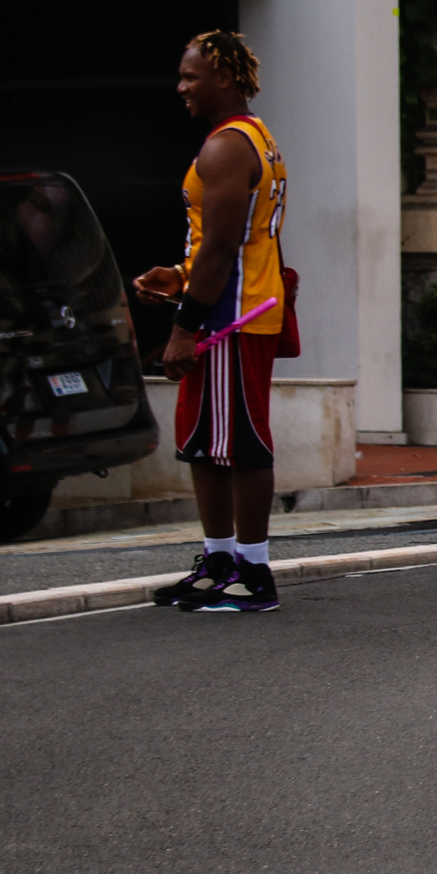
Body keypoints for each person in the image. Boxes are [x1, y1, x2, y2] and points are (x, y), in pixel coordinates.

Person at [133, 30, 288, 613]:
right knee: (205, 444)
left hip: (230, 319)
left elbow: (223, 249)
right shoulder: (257, 138)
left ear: (222, 78)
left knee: (240, 446)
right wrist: (178, 274)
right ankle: (220, 560)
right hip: (234, 307)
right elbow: (225, 245)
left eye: (190, 76)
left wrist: (182, 327)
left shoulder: (226, 147)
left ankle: (253, 571)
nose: (182, 87)